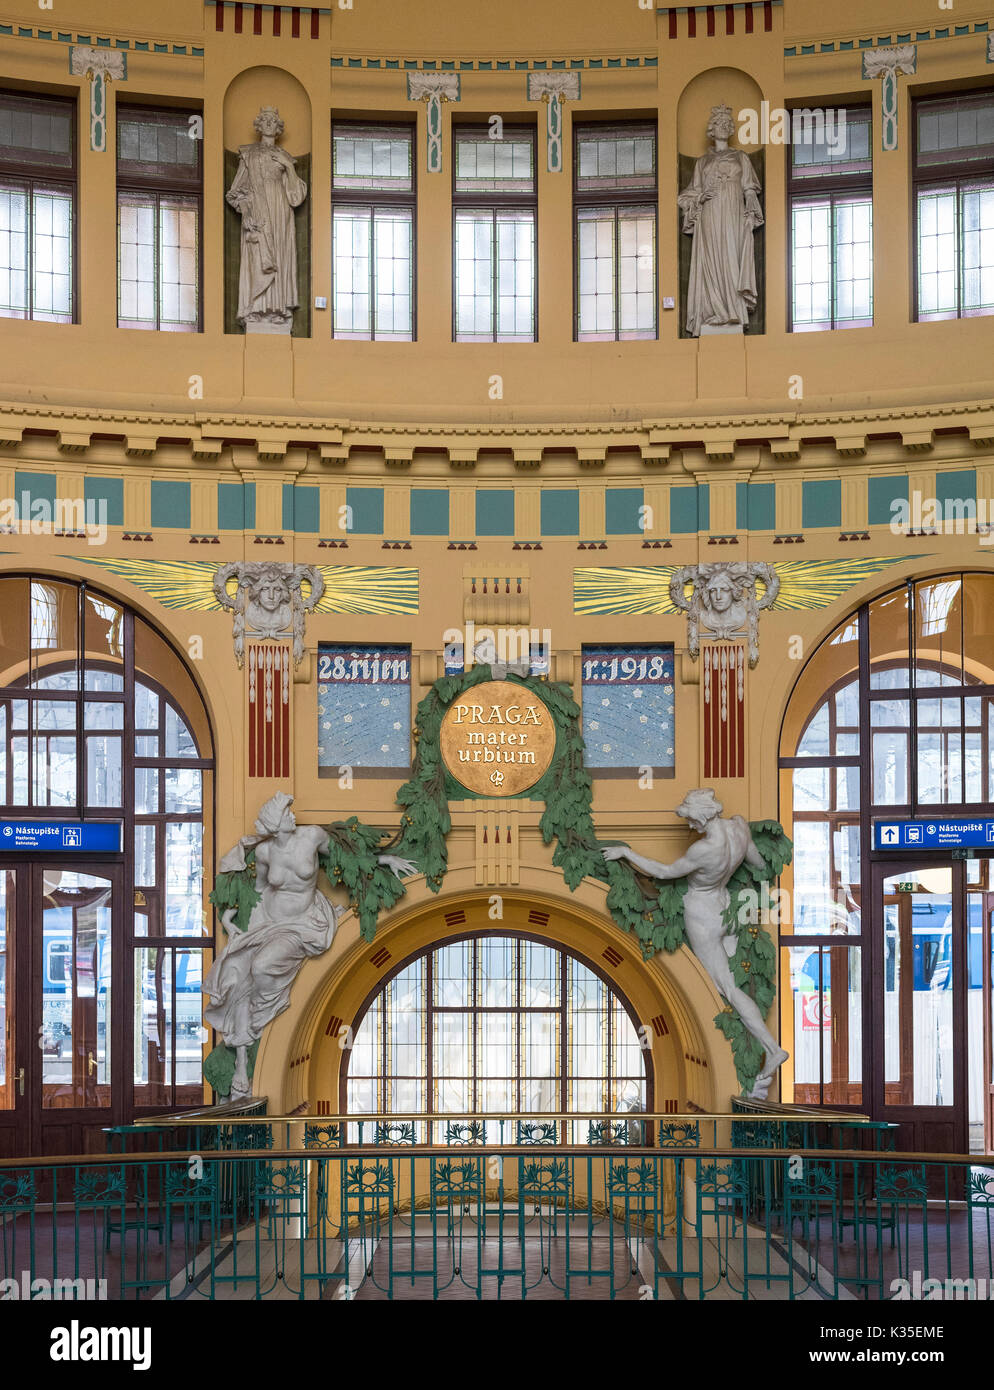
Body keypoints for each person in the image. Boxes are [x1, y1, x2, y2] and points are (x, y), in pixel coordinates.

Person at [205, 793, 414, 1097]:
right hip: (268, 921)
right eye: (286, 813)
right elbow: (258, 890)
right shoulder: (264, 853)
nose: (293, 815)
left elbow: (346, 859)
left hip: (303, 925)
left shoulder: (312, 836)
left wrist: (384, 859)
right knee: (237, 975)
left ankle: (254, 1034)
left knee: (261, 968)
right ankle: (241, 1056)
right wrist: (228, 919)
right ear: (275, 824)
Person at [603, 788, 788, 1098]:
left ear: (702, 815)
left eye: (690, 819)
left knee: (727, 987)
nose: (689, 826)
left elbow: (663, 872)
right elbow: (758, 864)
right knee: (733, 980)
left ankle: (772, 1048)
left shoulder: (704, 850)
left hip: (701, 913)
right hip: (727, 909)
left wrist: (626, 854)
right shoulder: (740, 827)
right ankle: (765, 1047)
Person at [678, 104, 764, 337]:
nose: (724, 126)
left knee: (731, 256)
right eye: (720, 123)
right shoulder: (702, 163)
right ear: (712, 129)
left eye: (728, 123)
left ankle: (733, 311)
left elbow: (749, 188)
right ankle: (714, 311)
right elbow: (688, 195)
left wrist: (750, 211)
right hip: (710, 214)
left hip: (733, 213)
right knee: (712, 258)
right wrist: (699, 198)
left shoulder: (741, 157)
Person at [226, 107, 307, 332]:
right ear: (259, 125)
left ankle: (278, 309)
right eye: (266, 120)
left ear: (278, 127)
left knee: (280, 256)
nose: (270, 123)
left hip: (281, 213)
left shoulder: (286, 157)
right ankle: (256, 308)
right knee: (258, 257)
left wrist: (289, 165)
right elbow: (234, 192)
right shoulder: (248, 154)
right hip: (259, 212)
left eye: (274, 120)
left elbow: (296, 196)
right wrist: (247, 211)